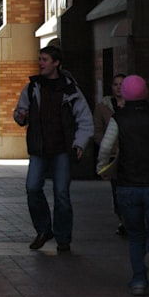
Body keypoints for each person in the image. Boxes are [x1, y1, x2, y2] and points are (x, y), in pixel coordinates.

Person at [96, 75, 149, 295]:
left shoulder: (119, 118)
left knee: (136, 234)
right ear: (146, 92)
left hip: (127, 183)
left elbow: (106, 147)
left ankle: (139, 281)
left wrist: (102, 168)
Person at [13, 45, 93, 252]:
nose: (40, 63)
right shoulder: (32, 87)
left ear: (56, 63)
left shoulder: (70, 89)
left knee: (61, 194)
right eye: (40, 59)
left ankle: (63, 238)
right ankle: (43, 228)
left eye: (45, 60)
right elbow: (20, 111)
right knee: (32, 188)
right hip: (39, 148)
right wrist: (20, 117)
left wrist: (79, 143)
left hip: (62, 150)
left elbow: (85, 120)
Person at [94, 72, 127, 235]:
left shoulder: (134, 104)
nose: (119, 87)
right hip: (113, 155)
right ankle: (122, 219)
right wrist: (107, 149)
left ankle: (131, 219)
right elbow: (98, 132)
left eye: (122, 84)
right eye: (116, 84)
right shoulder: (103, 107)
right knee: (117, 188)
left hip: (131, 153)